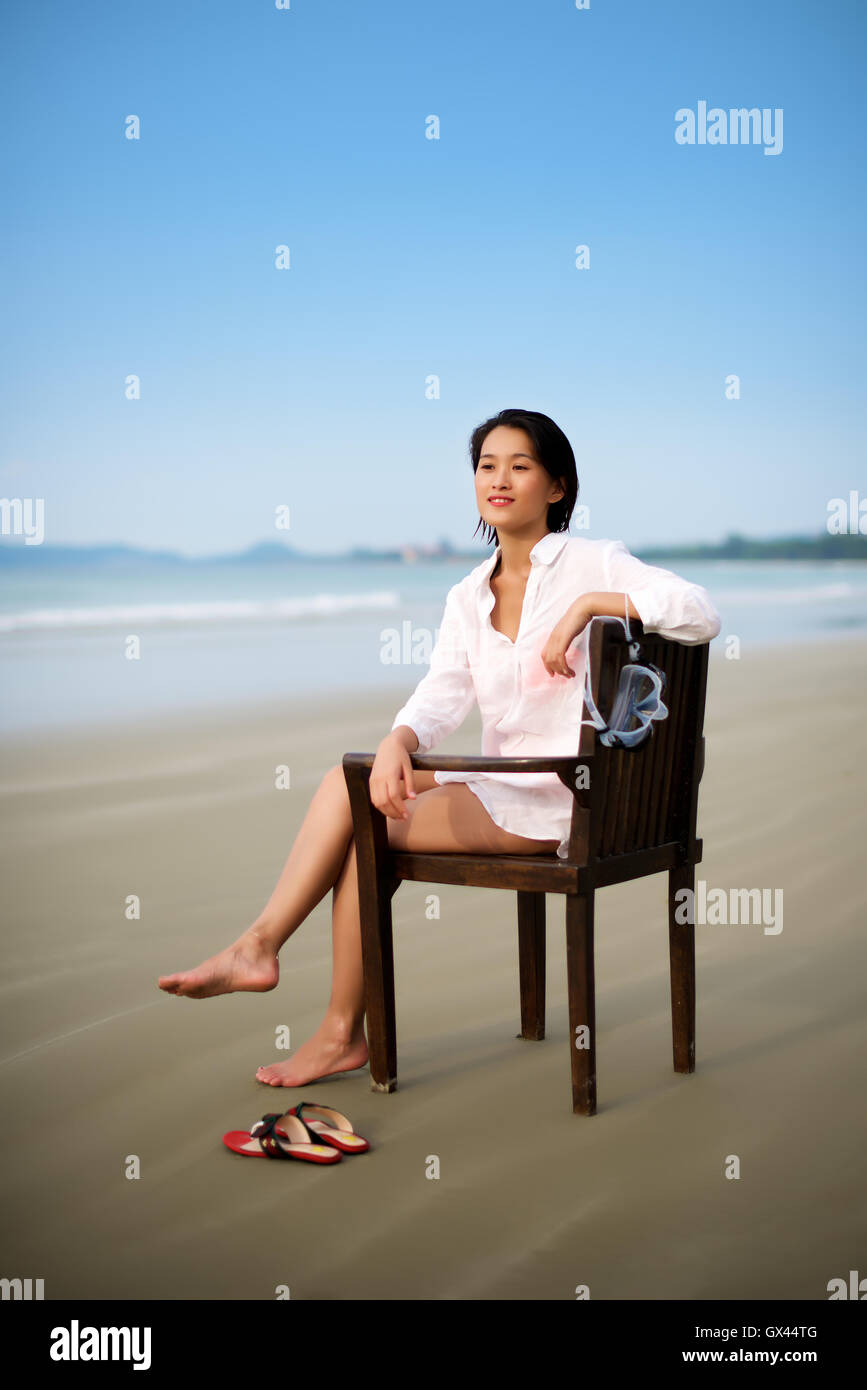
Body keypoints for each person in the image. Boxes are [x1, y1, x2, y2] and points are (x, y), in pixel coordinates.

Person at [158, 408, 721, 1088]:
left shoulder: (593, 562)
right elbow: (443, 691)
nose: (499, 479)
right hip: (511, 786)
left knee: (367, 831)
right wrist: (400, 738)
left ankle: (329, 1022)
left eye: (520, 465)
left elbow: (698, 611)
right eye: (486, 465)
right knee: (354, 782)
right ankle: (263, 951)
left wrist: (585, 606)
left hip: (556, 802)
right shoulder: (465, 595)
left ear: (557, 487)